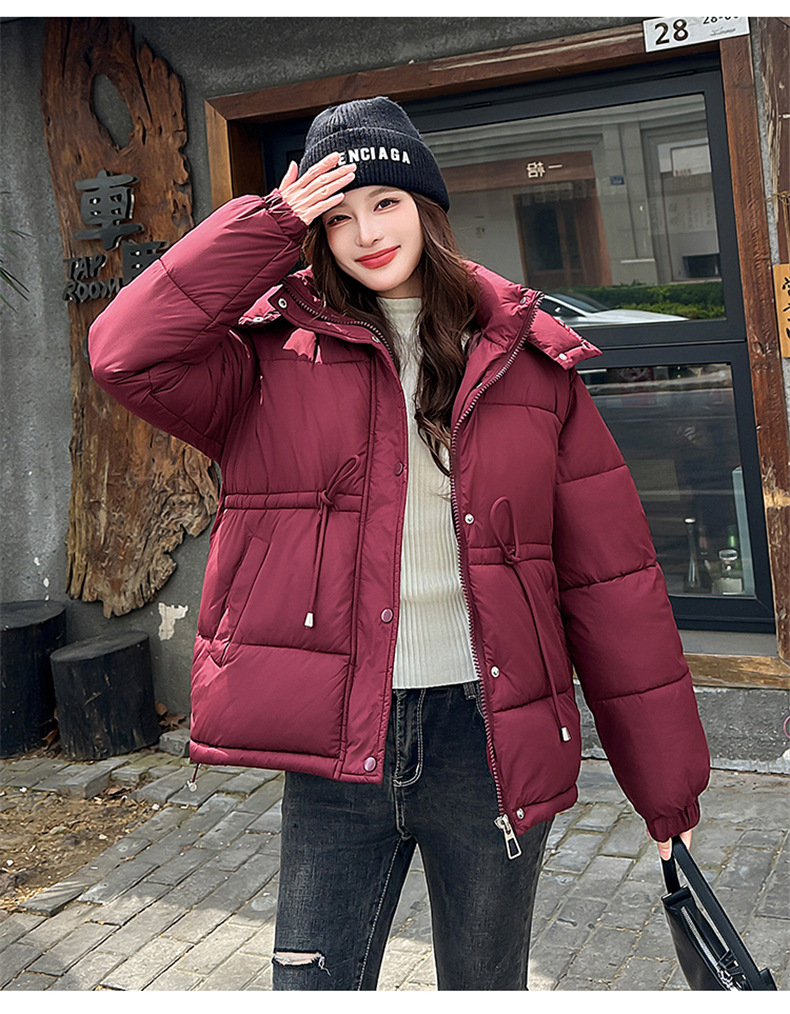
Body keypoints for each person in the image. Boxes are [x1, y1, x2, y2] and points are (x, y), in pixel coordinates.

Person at [88, 96, 710, 991]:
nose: (367, 234)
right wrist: (269, 223)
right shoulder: (266, 360)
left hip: (488, 737)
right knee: (312, 989)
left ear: (426, 206)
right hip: (340, 732)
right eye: (337, 216)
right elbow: (124, 351)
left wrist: (666, 792)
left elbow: (612, 585)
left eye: (385, 202)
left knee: (485, 988)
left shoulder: (527, 361)